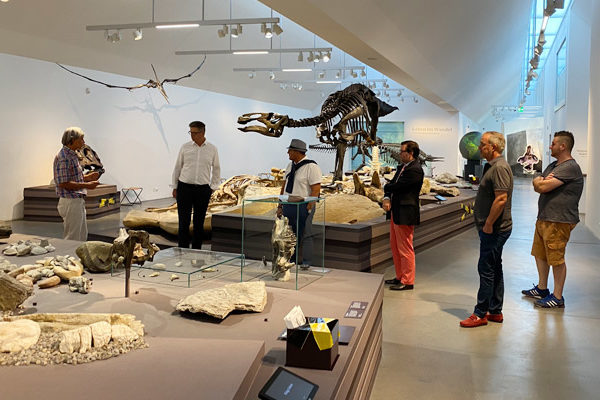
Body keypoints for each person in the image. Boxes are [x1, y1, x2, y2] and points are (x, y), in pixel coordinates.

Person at [522, 131, 584, 308]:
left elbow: (542, 186)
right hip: (545, 217)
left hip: (559, 220)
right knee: (540, 253)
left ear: (563, 146)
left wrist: (540, 181)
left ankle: (557, 297)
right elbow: (538, 182)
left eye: (554, 143)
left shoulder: (570, 167)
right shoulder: (553, 165)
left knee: (556, 258)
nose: (550, 146)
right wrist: (539, 180)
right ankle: (542, 288)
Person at [461, 131, 513, 328]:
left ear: (493, 147)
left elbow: (501, 199)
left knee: (486, 269)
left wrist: (489, 223)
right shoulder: (492, 166)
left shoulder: (499, 168)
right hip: (493, 228)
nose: (479, 147)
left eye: (482, 144)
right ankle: (495, 310)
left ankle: (480, 313)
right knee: (494, 266)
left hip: (495, 229)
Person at [382, 140, 424, 291]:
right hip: (396, 211)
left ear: (410, 153)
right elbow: (392, 186)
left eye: (402, 151)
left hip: (405, 212)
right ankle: (399, 276)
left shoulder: (415, 170)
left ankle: (407, 280)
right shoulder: (402, 167)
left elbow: (396, 186)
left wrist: (387, 187)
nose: (399, 154)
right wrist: (387, 195)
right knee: (395, 246)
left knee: (405, 248)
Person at [172, 121, 221, 249]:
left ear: (203, 132)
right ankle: (182, 250)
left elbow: (216, 169)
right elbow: (178, 167)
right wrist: (175, 186)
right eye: (190, 132)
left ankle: (196, 251)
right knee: (183, 222)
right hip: (184, 188)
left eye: (194, 133)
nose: (192, 135)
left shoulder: (212, 149)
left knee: (199, 223)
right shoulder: (185, 147)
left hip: (202, 190)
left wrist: (213, 187)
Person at [278, 139, 322, 267]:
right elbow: (284, 186)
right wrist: (280, 205)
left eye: (290, 150)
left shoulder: (311, 167)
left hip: (303, 206)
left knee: (306, 233)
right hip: (289, 205)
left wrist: (309, 206)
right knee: (290, 234)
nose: (288, 153)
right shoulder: (290, 166)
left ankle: (306, 261)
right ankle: (291, 260)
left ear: (297, 152)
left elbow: (316, 189)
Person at [53, 127, 100, 241]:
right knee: (73, 237)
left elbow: (72, 177)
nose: (83, 142)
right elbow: (63, 183)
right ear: (72, 140)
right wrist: (87, 185)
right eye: (81, 139)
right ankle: (69, 253)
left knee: (81, 235)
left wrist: (87, 177)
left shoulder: (72, 155)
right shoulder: (64, 157)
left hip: (76, 201)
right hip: (71, 201)